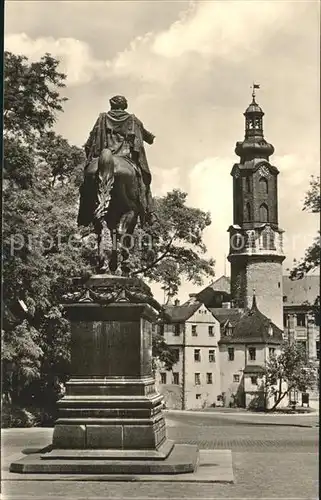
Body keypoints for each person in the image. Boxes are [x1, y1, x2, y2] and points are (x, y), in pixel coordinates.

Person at [79, 95, 155, 225]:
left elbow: (89, 143)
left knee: (85, 188)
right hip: (125, 158)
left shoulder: (102, 118)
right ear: (125, 106)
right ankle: (149, 212)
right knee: (144, 183)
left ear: (111, 105)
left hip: (101, 158)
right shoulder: (133, 120)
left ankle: (83, 215)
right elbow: (149, 138)